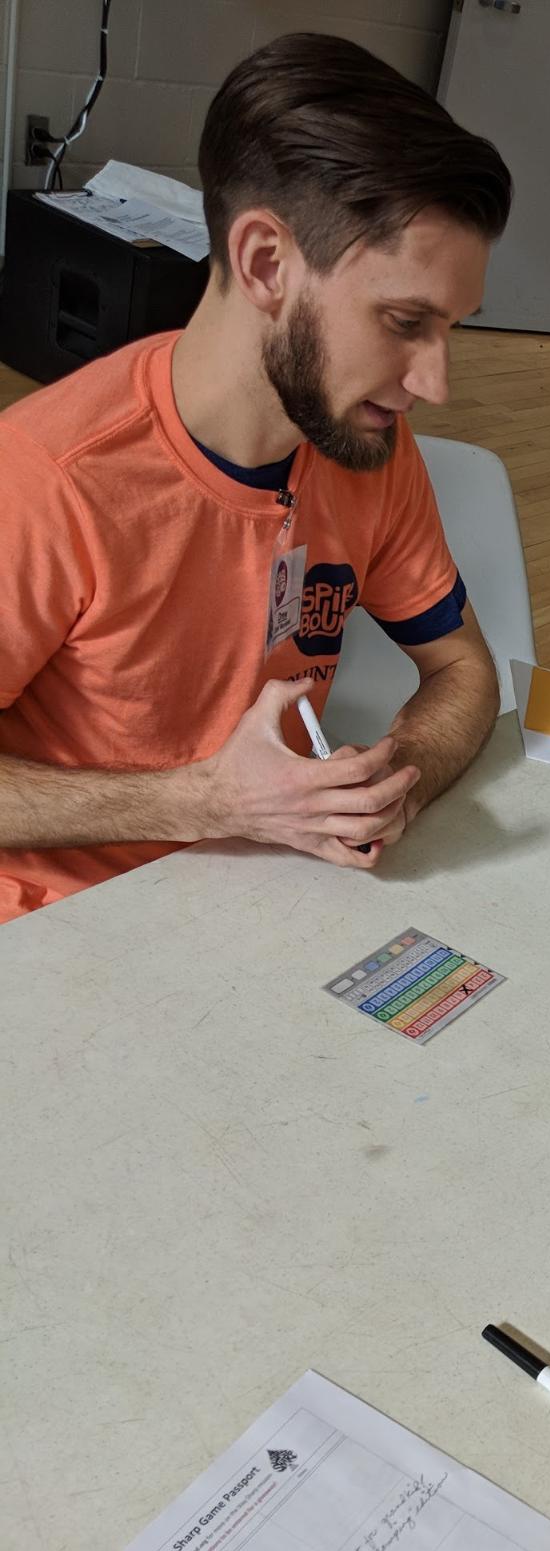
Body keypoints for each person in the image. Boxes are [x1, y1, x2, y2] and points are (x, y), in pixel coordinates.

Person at [0, 34, 512, 925]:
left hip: (273, 900)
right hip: (60, 933)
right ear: (267, 263)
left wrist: (398, 776)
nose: (434, 382)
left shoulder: (369, 447)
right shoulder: (49, 479)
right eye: (403, 320)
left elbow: (462, 665)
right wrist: (211, 801)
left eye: (452, 328)